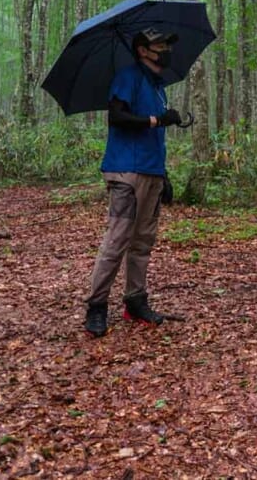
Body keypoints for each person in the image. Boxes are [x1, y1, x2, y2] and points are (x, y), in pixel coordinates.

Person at [84, 28, 184, 337]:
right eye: (161, 45)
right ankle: (97, 307)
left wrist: (164, 174)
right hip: (125, 171)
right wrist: (157, 119)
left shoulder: (158, 87)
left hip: (151, 172)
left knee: (143, 241)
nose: (166, 49)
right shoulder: (127, 77)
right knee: (117, 240)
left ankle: (135, 301)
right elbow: (117, 117)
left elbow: (156, 138)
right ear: (143, 50)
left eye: (167, 44)